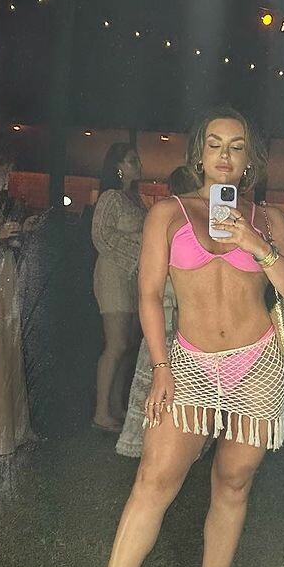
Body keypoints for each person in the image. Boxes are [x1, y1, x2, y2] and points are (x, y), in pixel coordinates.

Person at [65, 109, 284, 567]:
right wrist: (162, 367)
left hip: (257, 366)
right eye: (215, 145)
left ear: (250, 159)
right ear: (199, 154)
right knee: (153, 483)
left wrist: (256, 243)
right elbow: (149, 294)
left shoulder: (270, 220)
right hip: (190, 365)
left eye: (237, 146)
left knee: (234, 483)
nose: (225, 155)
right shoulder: (167, 214)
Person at [116, 165, 197, 459]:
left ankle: (155, 442)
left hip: (174, 312)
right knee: (160, 373)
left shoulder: (173, 218)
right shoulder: (169, 217)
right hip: (171, 310)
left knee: (157, 374)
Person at [91, 141, 146, 431]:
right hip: (114, 272)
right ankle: (101, 411)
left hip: (135, 275)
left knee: (128, 345)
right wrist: (136, 250)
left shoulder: (136, 199)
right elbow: (100, 235)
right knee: (116, 344)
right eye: (132, 160)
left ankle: (115, 405)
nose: (139, 165)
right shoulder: (110, 198)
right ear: (119, 166)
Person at [0, 158, 34, 462]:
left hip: (3, 271)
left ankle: (12, 428)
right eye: (5, 172)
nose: (9, 177)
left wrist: (19, 231)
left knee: (8, 347)